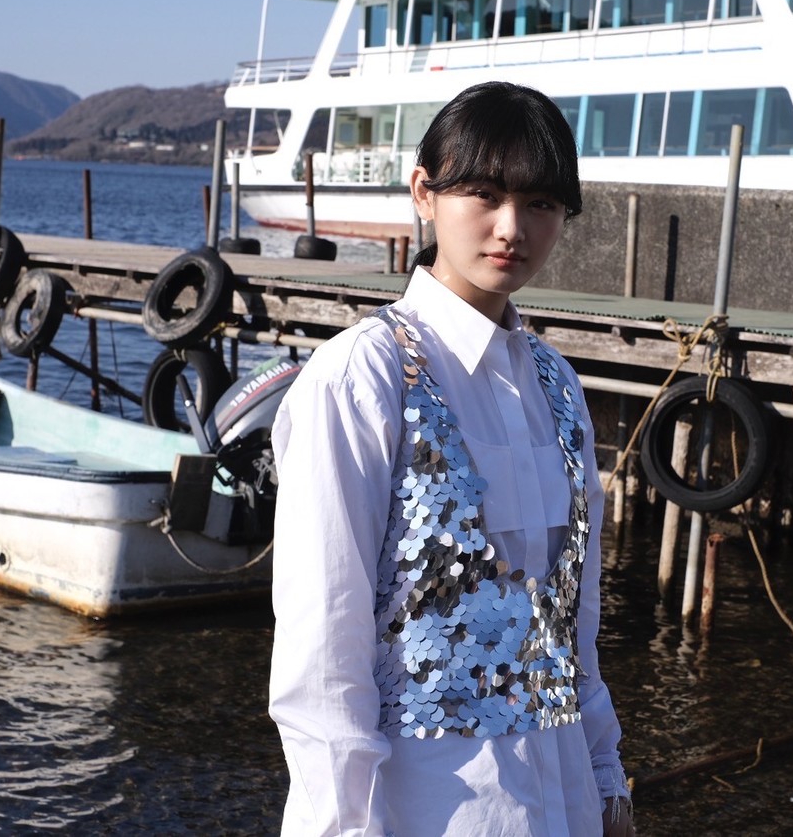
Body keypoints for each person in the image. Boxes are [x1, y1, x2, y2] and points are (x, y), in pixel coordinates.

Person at [269, 81, 634, 837]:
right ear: (424, 194)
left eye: (540, 203)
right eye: (485, 194)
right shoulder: (363, 376)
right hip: (428, 807)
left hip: (561, 795)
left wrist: (606, 774)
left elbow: (572, 621)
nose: (511, 227)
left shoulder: (556, 383)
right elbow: (323, 646)